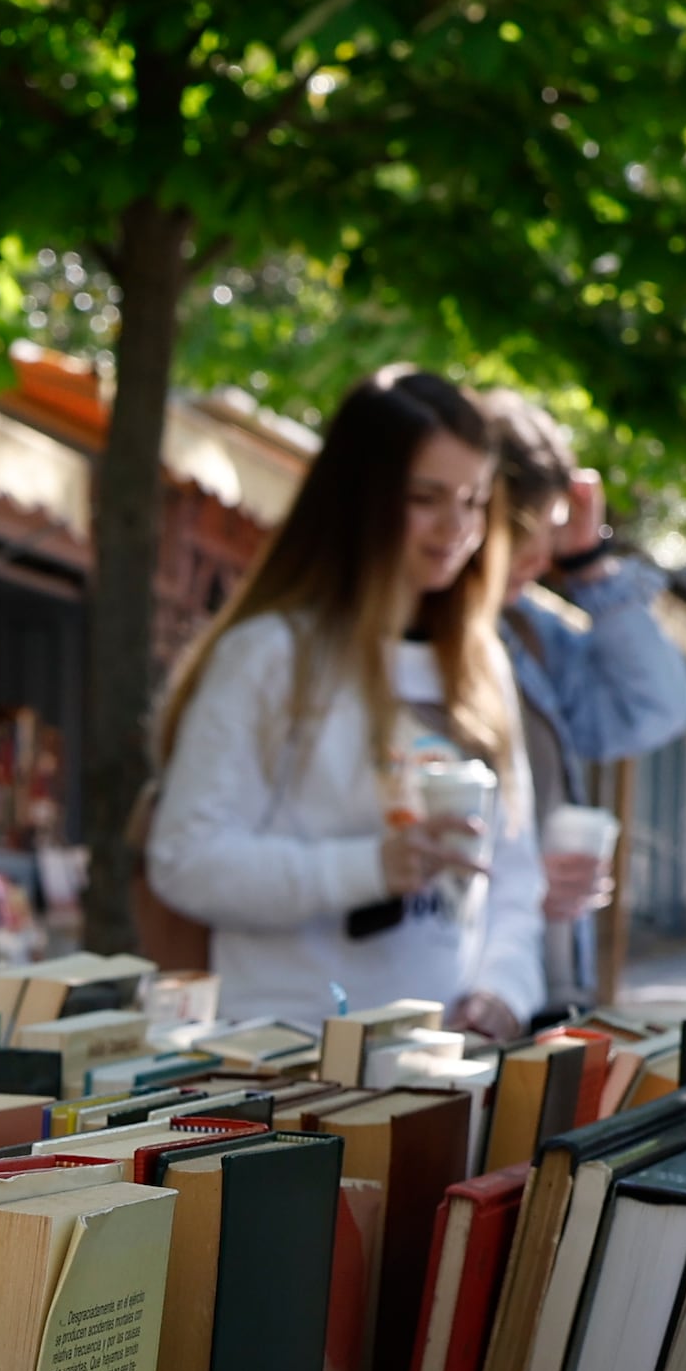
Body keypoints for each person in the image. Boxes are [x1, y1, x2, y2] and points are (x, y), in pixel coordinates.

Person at [135, 366, 543, 1038]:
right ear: (362, 499)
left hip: (447, 1072)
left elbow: (515, 878)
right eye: (426, 497)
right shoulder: (272, 654)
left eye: (473, 501)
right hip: (291, 1069)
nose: (456, 528)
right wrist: (372, 866)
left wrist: (504, 990)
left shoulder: (480, 665)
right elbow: (184, 859)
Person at [473, 388, 686, 993]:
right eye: (531, 530)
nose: (543, 558)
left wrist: (592, 564)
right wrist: (515, 886)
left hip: (535, 994)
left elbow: (654, 710)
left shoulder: (526, 633)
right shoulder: (388, 643)